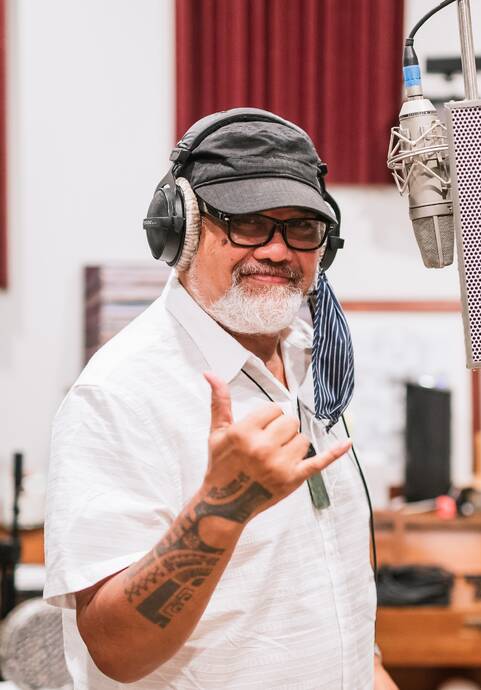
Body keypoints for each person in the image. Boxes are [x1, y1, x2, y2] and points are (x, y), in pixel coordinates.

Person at [43, 108, 398, 689]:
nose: (278, 250)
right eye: (248, 223)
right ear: (180, 231)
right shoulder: (117, 394)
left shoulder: (313, 361)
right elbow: (115, 650)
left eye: (301, 227)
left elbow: (333, 593)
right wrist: (224, 505)